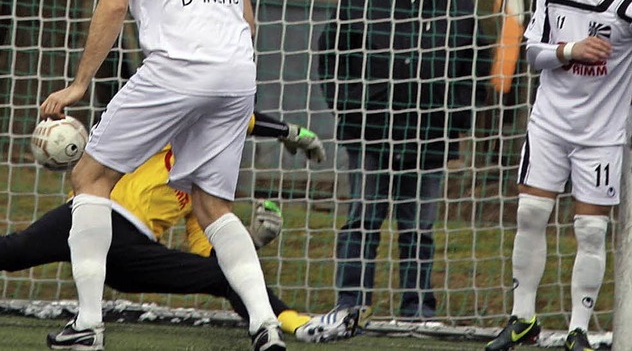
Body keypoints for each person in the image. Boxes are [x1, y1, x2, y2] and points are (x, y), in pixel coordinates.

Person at [39, 0, 282, 351]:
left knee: (89, 176)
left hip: (178, 66)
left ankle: (87, 325)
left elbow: (113, 4)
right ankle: (265, 325)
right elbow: (248, 18)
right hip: (238, 69)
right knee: (214, 206)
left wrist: (82, 82)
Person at [2, 122, 366, 344]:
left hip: (131, 253)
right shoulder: (167, 136)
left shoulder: (203, 192)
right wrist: (287, 131)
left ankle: (298, 324)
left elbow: (211, 254)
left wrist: (252, 241)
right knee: (15, 252)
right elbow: (240, 119)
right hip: (92, 216)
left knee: (226, 276)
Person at [317, 0, 491, 320]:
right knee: (362, 221)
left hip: (430, 137)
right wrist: (349, 109)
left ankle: (417, 309)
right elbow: (330, 58)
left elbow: (476, 66)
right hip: (370, 134)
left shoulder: (457, 2)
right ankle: (351, 304)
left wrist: (456, 121)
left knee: (418, 231)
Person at [485, 0, 632, 351]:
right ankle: (523, 319)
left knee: (590, 231)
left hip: (601, 136)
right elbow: (533, 52)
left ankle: (578, 330)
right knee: (530, 213)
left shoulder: (626, 2)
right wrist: (571, 49)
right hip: (549, 124)